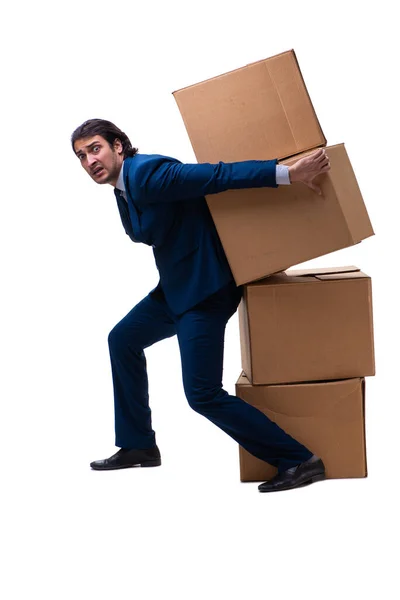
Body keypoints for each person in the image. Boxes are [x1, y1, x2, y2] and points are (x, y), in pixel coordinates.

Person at [72, 118, 330, 492]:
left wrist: (287, 173)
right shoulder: (122, 188)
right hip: (175, 289)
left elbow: (216, 176)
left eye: (94, 148)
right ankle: (138, 445)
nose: (89, 160)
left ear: (118, 146)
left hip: (205, 292)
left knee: (202, 393)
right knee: (122, 340)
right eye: (81, 156)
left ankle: (299, 460)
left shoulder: (149, 173)